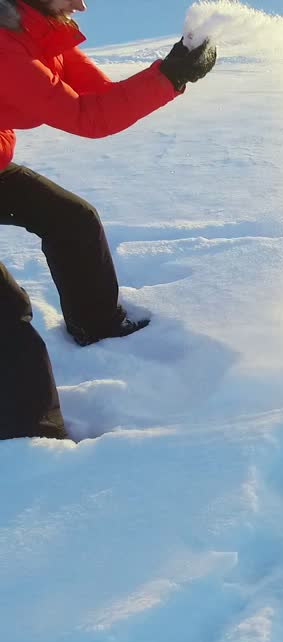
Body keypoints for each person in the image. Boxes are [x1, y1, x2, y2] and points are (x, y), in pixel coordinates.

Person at [0, 0, 216, 440]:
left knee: (72, 220)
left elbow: (98, 97)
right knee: (5, 312)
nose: (82, 3)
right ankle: (28, 437)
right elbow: (88, 118)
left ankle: (96, 324)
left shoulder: (40, 33)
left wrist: (171, 70)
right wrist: (171, 76)